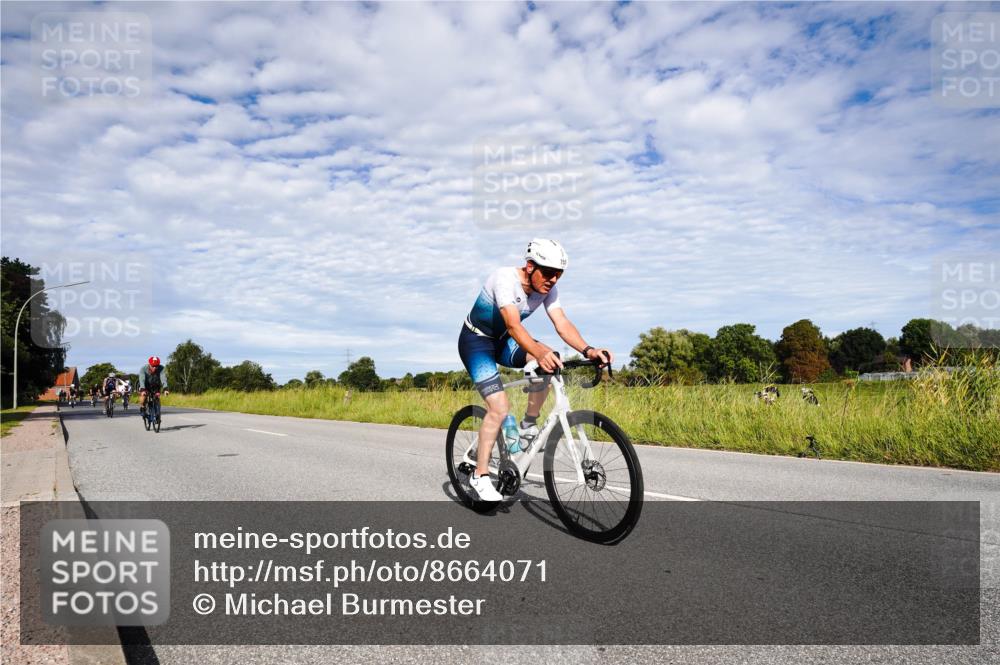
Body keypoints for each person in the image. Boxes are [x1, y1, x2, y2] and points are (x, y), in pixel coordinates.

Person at [458, 239, 613, 501]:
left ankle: (529, 425)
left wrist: (589, 350)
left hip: (503, 342)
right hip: (476, 342)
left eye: (559, 275)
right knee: (499, 407)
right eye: (549, 273)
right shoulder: (504, 278)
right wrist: (539, 351)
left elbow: (562, 323)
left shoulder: (548, 289)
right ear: (530, 266)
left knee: (547, 358)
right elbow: (514, 325)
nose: (553, 280)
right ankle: (480, 475)